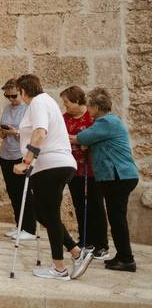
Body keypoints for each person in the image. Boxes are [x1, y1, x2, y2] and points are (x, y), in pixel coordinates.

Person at [13, 74, 92, 280]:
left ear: (23, 90)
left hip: (50, 165)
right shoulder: (47, 101)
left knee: (49, 214)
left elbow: (40, 133)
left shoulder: (38, 102)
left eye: (18, 92)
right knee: (43, 213)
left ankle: (59, 268)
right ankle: (76, 252)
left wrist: (26, 161)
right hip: (56, 165)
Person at [72, 88, 141, 272]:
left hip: (118, 177)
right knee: (116, 218)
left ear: (95, 107)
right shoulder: (105, 122)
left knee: (117, 219)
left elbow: (81, 138)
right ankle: (122, 256)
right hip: (118, 177)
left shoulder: (106, 122)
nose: (88, 110)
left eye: (89, 106)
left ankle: (127, 259)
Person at [60, 85, 109, 257]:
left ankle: (101, 244)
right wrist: (77, 141)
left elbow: (97, 138)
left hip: (93, 168)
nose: (64, 105)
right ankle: (85, 239)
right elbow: (59, 136)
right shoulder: (64, 118)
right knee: (79, 205)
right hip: (73, 169)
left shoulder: (92, 116)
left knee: (96, 205)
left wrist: (79, 140)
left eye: (66, 102)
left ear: (77, 101)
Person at [0, 78, 36, 240]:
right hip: (6, 154)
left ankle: (29, 228)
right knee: (13, 192)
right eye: (8, 96)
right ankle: (19, 225)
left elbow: (34, 133)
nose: (11, 100)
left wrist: (16, 132)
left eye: (14, 96)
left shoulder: (29, 109)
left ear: (21, 92)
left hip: (21, 155)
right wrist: (2, 131)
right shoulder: (7, 109)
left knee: (24, 192)